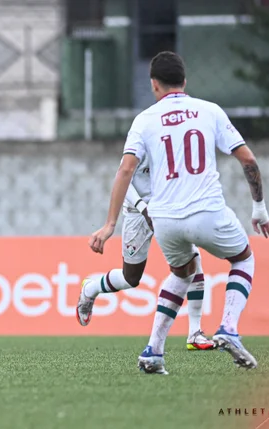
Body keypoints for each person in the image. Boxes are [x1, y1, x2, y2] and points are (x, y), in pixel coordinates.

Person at [89, 51, 269, 374]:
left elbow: (125, 171)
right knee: (243, 258)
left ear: (153, 85)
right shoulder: (209, 111)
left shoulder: (144, 120)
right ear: (185, 81)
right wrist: (259, 207)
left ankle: (153, 351)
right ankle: (228, 327)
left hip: (165, 220)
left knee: (182, 273)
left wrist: (109, 224)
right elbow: (249, 161)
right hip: (207, 211)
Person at [76, 171, 214, 351]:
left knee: (193, 260)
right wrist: (144, 208)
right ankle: (91, 288)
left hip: (167, 211)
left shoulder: (172, 143)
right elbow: (123, 177)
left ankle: (195, 333)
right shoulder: (138, 143)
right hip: (137, 214)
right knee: (130, 278)